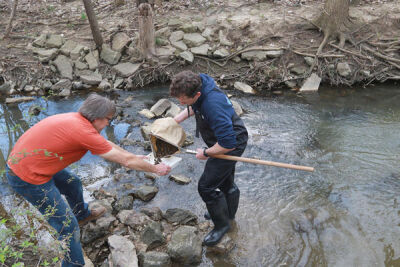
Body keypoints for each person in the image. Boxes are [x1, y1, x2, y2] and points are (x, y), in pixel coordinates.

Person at [5, 93, 171, 267]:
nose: (108, 123)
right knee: (68, 228)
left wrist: (133, 155)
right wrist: (155, 168)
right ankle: (74, 264)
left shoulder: (78, 120)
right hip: (28, 178)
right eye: (108, 119)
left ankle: (82, 214)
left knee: (73, 183)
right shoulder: (82, 131)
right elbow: (126, 162)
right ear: (96, 117)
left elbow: (106, 145)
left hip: (35, 166)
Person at [170, 71, 248, 246]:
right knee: (225, 182)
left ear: (197, 94)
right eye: (178, 99)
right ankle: (225, 212)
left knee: (206, 187)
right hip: (222, 138)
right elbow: (192, 107)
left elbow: (228, 144)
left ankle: (222, 225)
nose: (180, 103)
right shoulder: (198, 83)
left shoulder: (213, 105)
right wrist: (174, 122)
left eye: (183, 100)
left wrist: (206, 153)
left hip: (231, 143)